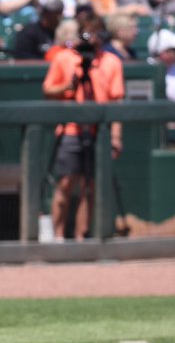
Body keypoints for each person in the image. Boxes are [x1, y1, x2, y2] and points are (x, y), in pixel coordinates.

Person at [41, 30, 125, 242]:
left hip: (99, 132)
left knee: (90, 187)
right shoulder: (64, 58)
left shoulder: (111, 61)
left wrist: (115, 137)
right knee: (66, 183)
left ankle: (82, 237)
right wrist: (68, 86)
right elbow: (48, 90)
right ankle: (57, 237)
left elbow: (116, 102)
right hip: (70, 130)